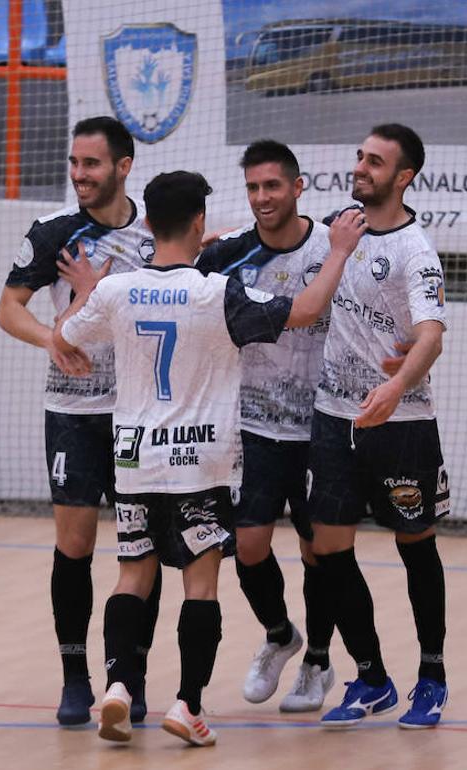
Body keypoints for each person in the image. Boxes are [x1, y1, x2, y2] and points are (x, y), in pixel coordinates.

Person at [54, 170, 365, 746]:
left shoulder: (116, 290)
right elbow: (306, 309)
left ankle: (119, 686)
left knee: (132, 576)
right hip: (200, 462)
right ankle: (187, 704)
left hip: (134, 460)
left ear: (148, 223)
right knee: (201, 586)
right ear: (200, 222)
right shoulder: (219, 294)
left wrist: (83, 290)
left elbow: (65, 336)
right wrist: (340, 251)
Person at [0, 116, 162, 726]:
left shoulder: (154, 235)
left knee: (140, 548)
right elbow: (9, 308)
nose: (79, 175)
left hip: (139, 417)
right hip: (71, 412)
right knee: (73, 545)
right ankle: (75, 678)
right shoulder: (53, 233)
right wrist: (51, 337)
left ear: (123, 166)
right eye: (74, 163)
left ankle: (131, 678)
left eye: (91, 164)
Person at [309, 123, 451, 729]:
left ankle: (432, 676)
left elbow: (431, 336)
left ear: (404, 177)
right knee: (329, 548)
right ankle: (371, 676)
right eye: (360, 157)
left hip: (401, 424)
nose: (361, 167)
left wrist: (396, 386)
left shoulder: (416, 253)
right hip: (333, 417)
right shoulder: (344, 225)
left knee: (415, 547)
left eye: (375, 162)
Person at [194, 140, 338, 713]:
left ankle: (320, 660)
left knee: (319, 550)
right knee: (249, 547)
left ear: (298, 187)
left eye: (272, 186)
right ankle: (282, 636)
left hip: (320, 426)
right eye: (253, 188)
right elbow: (180, 280)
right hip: (252, 427)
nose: (261, 198)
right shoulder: (227, 253)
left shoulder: (335, 247)